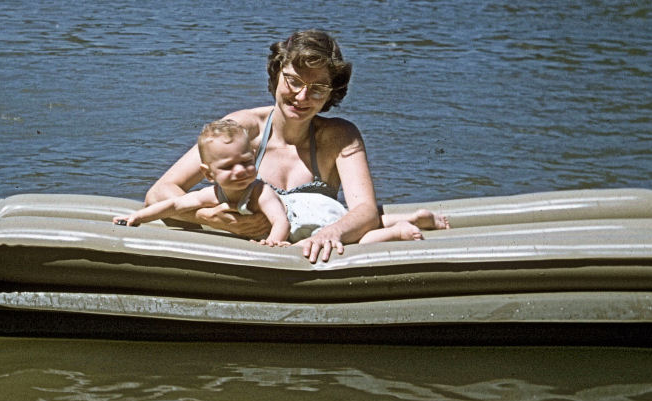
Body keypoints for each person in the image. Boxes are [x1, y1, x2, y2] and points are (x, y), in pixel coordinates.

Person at [145, 30, 447, 263]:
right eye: (293, 81)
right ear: (276, 75)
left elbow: (365, 210)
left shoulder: (341, 136)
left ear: (331, 94)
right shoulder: (243, 130)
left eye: (317, 89)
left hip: (311, 238)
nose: (302, 97)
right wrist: (213, 219)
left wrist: (332, 233)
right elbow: (160, 191)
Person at [116, 120, 291, 245]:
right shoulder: (212, 194)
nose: (239, 171)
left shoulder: (261, 192)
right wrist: (138, 217)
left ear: (253, 157)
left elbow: (281, 221)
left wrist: (273, 243)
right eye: (228, 167)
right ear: (209, 174)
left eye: (246, 162)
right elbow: (174, 205)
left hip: (299, 223)